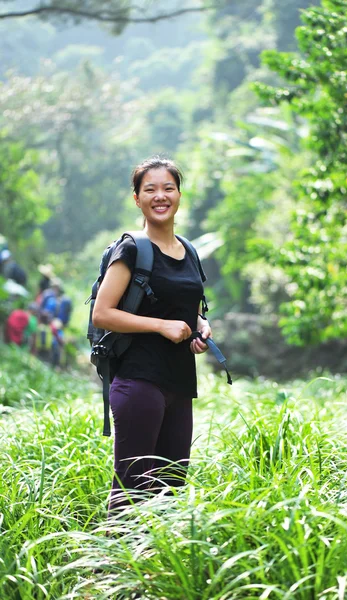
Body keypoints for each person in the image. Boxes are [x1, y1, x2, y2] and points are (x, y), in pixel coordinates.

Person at [92, 156, 211, 512]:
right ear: (137, 198)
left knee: (171, 484)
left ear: (178, 194)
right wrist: (161, 326)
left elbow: (188, 308)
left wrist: (201, 326)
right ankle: (111, 565)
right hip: (138, 378)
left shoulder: (188, 250)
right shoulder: (131, 249)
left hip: (179, 381)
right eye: (151, 189)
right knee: (133, 486)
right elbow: (104, 312)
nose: (161, 196)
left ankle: (152, 567)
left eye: (168, 188)